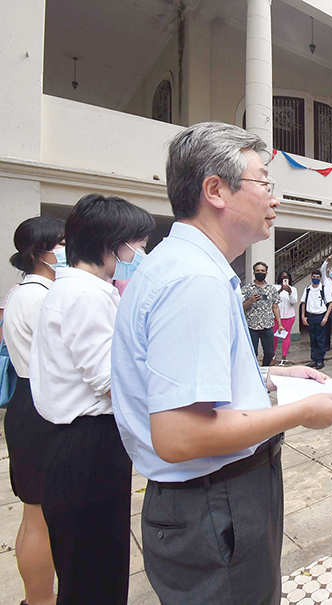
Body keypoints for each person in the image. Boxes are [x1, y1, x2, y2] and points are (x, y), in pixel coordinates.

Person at [111, 122, 332, 604]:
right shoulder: (192, 279)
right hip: (212, 505)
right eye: (265, 182)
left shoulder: (186, 266)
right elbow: (179, 435)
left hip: (211, 500)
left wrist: (270, 374)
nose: (274, 199)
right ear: (215, 190)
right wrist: (301, 413)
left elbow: (182, 379)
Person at [31, 193, 154, 603]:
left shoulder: (76, 289)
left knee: (86, 566)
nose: (141, 253)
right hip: (88, 446)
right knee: (95, 571)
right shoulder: (86, 295)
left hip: (74, 442)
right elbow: (109, 378)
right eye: (137, 244)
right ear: (111, 244)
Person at [4, 217, 65, 605]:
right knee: (41, 517)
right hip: (42, 404)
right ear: (39, 251)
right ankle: (40, 599)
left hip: (26, 402)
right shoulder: (43, 298)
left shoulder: (18, 294)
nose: (65, 250)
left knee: (34, 512)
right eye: (61, 243)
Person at [242, 262, 281, 367]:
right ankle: (253, 372)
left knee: (269, 352)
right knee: (252, 353)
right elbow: (240, 307)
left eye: (262, 271)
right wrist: (250, 301)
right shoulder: (246, 288)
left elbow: (275, 306)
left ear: (266, 273)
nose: (260, 273)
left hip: (267, 324)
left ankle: (265, 369)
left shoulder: (271, 289)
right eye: (258, 271)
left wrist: (280, 324)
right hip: (251, 326)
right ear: (254, 272)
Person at [300, 268, 332, 369]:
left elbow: (330, 303)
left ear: (320, 278)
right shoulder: (307, 289)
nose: (315, 279)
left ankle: (320, 360)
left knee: (320, 339)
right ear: (311, 277)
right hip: (310, 316)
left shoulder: (324, 289)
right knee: (313, 339)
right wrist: (303, 316)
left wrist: (326, 317)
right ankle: (313, 359)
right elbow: (303, 303)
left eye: (317, 277)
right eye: (314, 277)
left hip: (320, 316)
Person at [273, 270, 298, 365]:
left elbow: (294, 302)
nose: (284, 279)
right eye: (282, 277)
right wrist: (280, 291)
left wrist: (290, 292)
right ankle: (273, 356)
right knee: (273, 337)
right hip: (276, 317)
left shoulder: (293, 289)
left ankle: (284, 357)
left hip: (288, 316)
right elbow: (272, 299)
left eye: (286, 278)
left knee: (286, 337)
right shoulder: (275, 287)